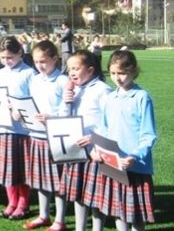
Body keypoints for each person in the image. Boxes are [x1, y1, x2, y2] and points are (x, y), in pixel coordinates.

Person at [90, 50, 157, 231]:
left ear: (134, 71)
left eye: (122, 73)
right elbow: (103, 129)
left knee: (135, 214)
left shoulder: (142, 97)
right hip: (113, 164)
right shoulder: (110, 97)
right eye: (113, 73)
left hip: (134, 166)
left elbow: (148, 134)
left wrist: (134, 155)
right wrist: (96, 149)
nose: (117, 78)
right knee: (118, 209)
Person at [59, 50, 111, 231]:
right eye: (69, 69)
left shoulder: (102, 90)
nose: (71, 73)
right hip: (76, 151)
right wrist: (66, 101)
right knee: (78, 194)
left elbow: (110, 122)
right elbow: (63, 120)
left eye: (76, 68)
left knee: (96, 197)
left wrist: (94, 139)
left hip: (95, 152)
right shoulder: (74, 90)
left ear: (90, 70)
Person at [22, 40, 69, 231]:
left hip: (55, 137)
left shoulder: (63, 81)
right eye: (36, 62)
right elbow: (29, 103)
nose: (39, 66)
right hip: (35, 135)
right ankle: (43, 215)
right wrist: (19, 112)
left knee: (58, 181)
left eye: (43, 61)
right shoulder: (34, 79)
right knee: (40, 179)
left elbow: (68, 110)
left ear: (55, 59)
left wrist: (52, 117)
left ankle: (60, 219)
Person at [0, 36, 36, 220]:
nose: (6, 61)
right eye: (3, 58)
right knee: (7, 169)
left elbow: (35, 101)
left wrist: (22, 111)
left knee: (22, 169)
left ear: (20, 53)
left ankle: (23, 204)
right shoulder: (0, 73)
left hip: (22, 130)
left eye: (10, 57)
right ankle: (11, 202)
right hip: (3, 128)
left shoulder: (29, 74)